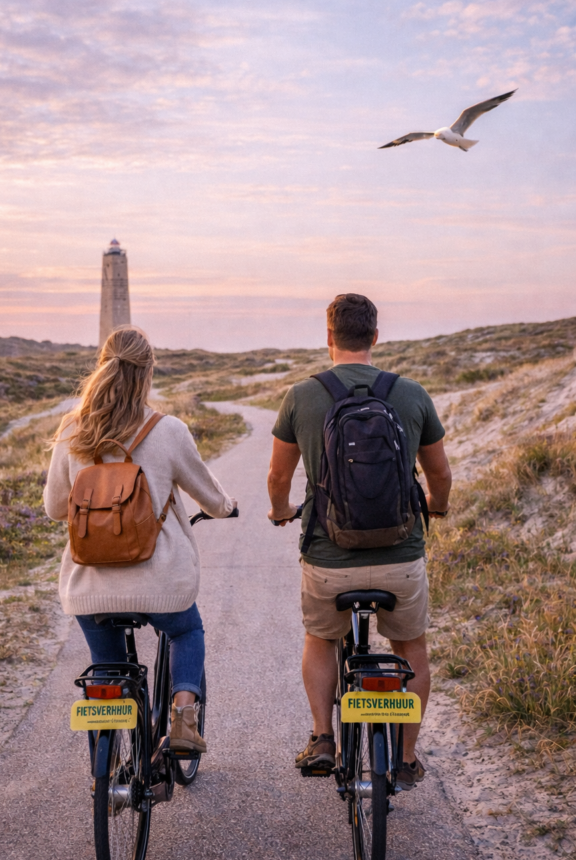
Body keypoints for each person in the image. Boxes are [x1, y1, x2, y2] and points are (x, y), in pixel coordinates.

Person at [267, 293, 452, 789]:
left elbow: (277, 477)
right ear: (375, 337)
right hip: (400, 558)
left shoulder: (301, 397)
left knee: (321, 636)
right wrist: (436, 507)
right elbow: (440, 473)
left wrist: (282, 511)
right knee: (411, 645)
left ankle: (323, 737)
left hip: (330, 561)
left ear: (328, 338)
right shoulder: (411, 394)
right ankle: (407, 758)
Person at [44, 326, 236, 753]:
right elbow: (210, 496)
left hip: (90, 587)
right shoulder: (167, 430)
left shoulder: (73, 430)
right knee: (187, 631)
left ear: (102, 368)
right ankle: (184, 721)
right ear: (147, 374)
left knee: (107, 668)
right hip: (161, 585)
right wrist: (227, 506)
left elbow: (55, 508)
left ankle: (104, 769)